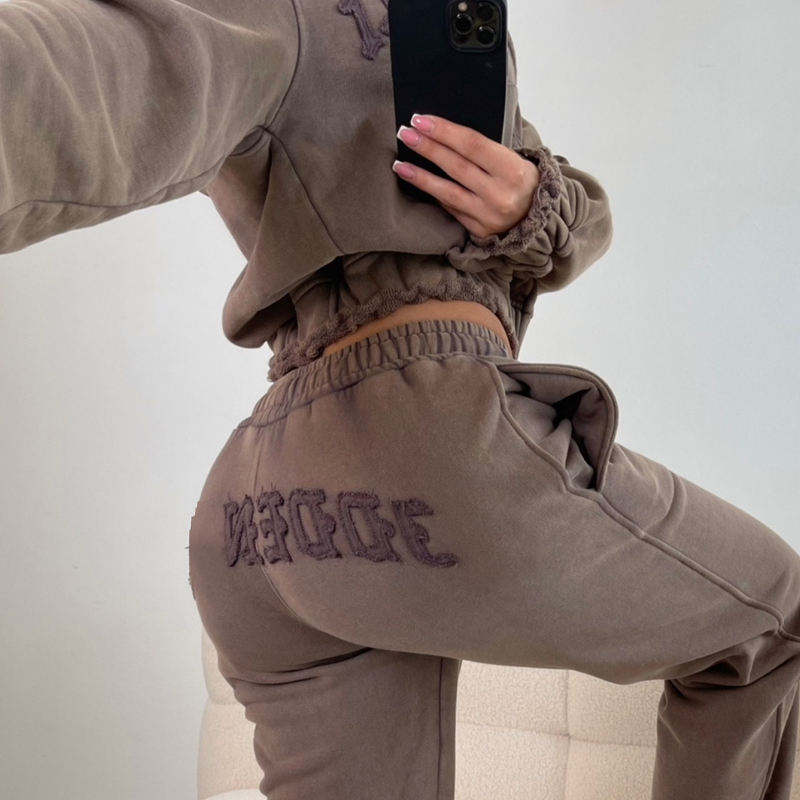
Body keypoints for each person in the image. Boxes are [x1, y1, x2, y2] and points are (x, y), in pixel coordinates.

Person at [2, 2, 799, 799]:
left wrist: (530, 200)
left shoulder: (432, 40)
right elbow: (97, 69)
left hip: (256, 513)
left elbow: (582, 216)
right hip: (420, 443)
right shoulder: (296, 14)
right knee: (774, 624)